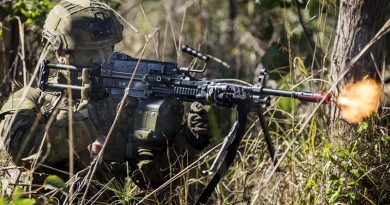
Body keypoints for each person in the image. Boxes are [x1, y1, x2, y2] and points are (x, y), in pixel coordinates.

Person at [0, 0, 211, 203]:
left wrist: (189, 142)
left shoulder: (123, 103)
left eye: (107, 50)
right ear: (60, 51)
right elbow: (21, 149)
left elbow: (149, 178)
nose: (100, 60)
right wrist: (95, 118)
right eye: (90, 52)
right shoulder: (31, 99)